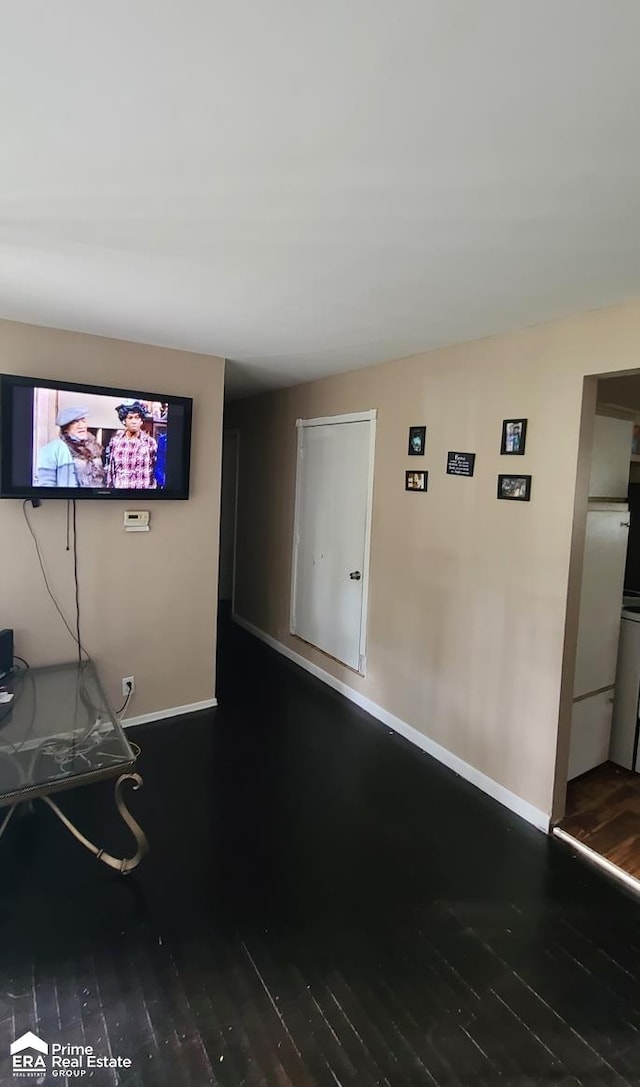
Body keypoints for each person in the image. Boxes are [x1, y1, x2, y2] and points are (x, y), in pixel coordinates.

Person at [37, 406, 106, 487]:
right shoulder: (53, 449)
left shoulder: (94, 446)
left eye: (83, 421)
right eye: (75, 422)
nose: (81, 426)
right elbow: (46, 484)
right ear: (66, 428)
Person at [106, 401, 157, 489]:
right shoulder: (116, 442)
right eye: (130, 418)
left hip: (143, 496)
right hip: (120, 495)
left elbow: (155, 471)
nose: (134, 421)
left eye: (137, 418)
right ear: (124, 421)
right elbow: (111, 471)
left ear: (141, 421)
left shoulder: (150, 442)